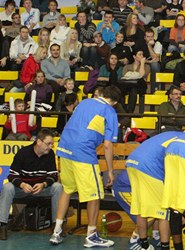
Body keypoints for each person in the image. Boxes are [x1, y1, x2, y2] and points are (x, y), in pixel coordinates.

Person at [49, 85, 121, 247]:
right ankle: (91, 235)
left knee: (67, 190)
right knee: (94, 195)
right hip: (83, 153)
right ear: (114, 102)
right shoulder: (110, 111)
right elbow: (108, 145)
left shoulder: (85, 102)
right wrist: (110, 171)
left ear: (102, 94)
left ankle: (56, 232)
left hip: (64, 148)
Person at [0, 129, 61, 240]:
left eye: (52, 144)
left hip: (41, 189)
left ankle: (56, 226)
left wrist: (43, 184)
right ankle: (2, 225)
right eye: (48, 143)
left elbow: (53, 176)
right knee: (7, 187)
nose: (51, 146)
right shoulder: (23, 153)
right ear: (39, 142)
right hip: (22, 189)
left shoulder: (50, 154)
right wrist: (22, 185)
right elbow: (12, 176)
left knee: (58, 187)